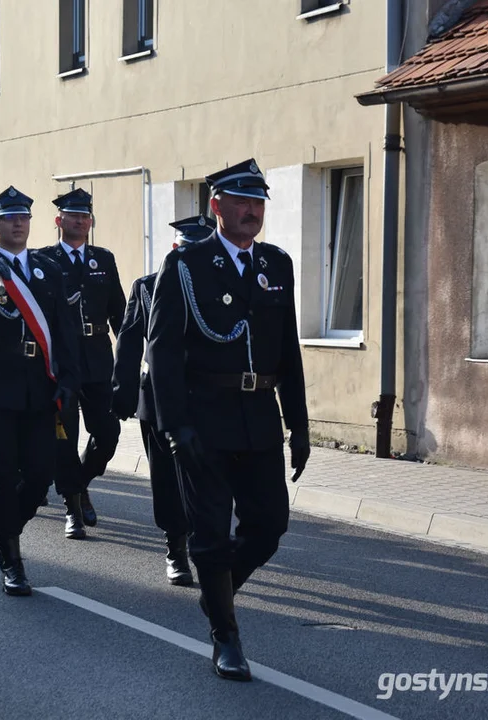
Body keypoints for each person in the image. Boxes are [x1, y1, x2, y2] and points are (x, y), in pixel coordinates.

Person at [147, 159, 310, 682]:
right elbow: (163, 349)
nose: (252, 211)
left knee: (269, 526)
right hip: (205, 419)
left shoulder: (275, 265)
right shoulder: (187, 266)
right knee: (212, 533)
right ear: (215, 206)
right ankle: (226, 635)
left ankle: (218, 593)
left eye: (258, 202)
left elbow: (288, 348)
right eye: (241, 201)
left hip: (259, 417)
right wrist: (176, 426)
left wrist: (300, 424)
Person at [0, 186, 80, 595]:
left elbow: (64, 330)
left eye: (24, 217)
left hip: (38, 385)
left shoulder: (48, 269)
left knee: (40, 474)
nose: (18, 224)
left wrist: (67, 379)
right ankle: (11, 555)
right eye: (9, 218)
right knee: (2, 474)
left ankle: (8, 528)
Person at [113, 214, 216, 586]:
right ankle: (175, 546)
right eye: (188, 249)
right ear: (176, 249)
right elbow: (128, 341)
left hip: (207, 397)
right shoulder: (148, 286)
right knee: (167, 478)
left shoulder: (221, 287)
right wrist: (121, 395)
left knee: (208, 474)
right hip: (157, 397)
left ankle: (206, 544)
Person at [37, 188, 125, 538]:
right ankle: (72, 506)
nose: (80, 221)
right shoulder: (44, 260)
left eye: (85, 216)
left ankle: (81, 481)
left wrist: (134, 356)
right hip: (62, 363)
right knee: (65, 437)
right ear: (59, 221)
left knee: (108, 433)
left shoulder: (103, 259)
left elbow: (119, 311)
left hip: (99, 359)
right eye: (73, 216)